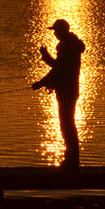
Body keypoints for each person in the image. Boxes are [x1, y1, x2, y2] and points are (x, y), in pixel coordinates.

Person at [31, 19, 86, 170]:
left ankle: (71, 162)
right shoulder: (72, 44)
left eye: (56, 31)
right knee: (68, 125)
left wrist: (41, 83)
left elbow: (58, 70)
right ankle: (72, 160)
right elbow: (60, 67)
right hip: (70, 89)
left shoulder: (65, 46)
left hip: (66, 91)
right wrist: (46, 56)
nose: (54, 33)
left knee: (66, 125)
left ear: (61, 31)